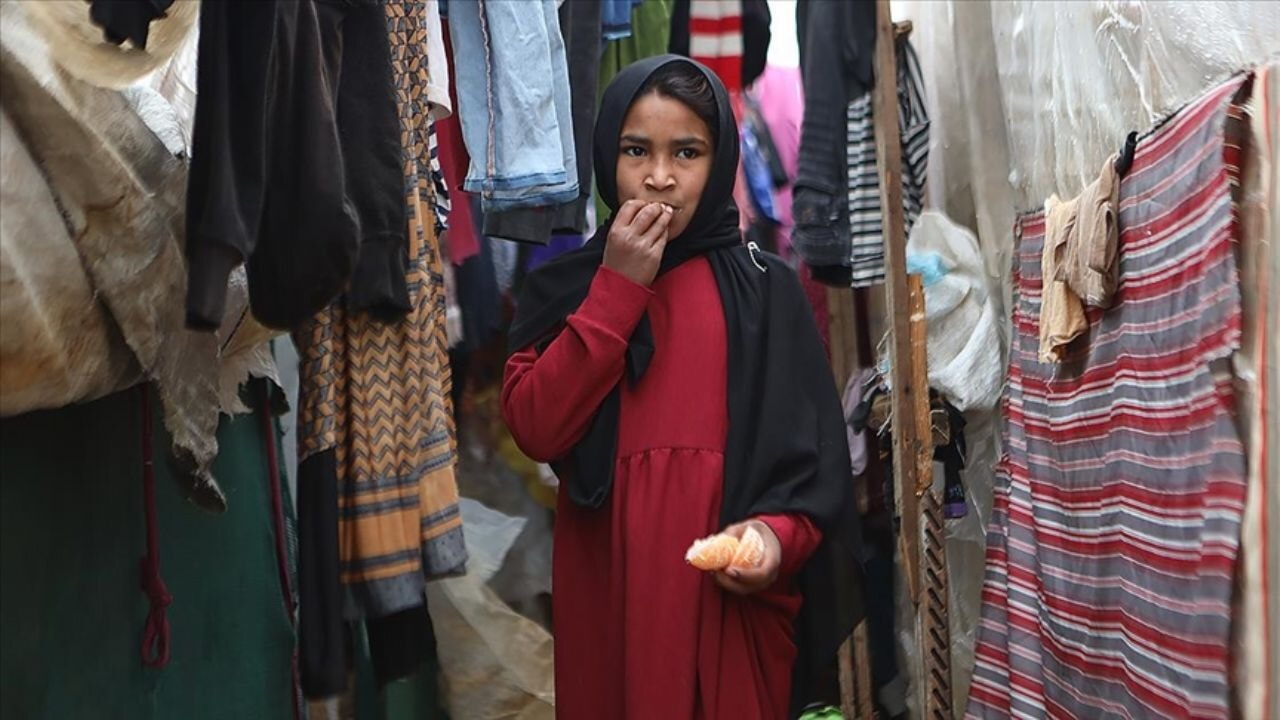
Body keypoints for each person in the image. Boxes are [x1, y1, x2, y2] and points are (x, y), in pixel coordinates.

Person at [502, 55, 862, 719]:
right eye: (636, 150)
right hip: (612, 599)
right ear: (606, 155)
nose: (659, 177)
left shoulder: (766, 293)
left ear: (719, 162)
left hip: (725, 614)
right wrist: (616, 289)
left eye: (687, 153)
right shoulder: (570, 288)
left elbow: (814, 474)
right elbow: (537, 426)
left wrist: (773, 539)